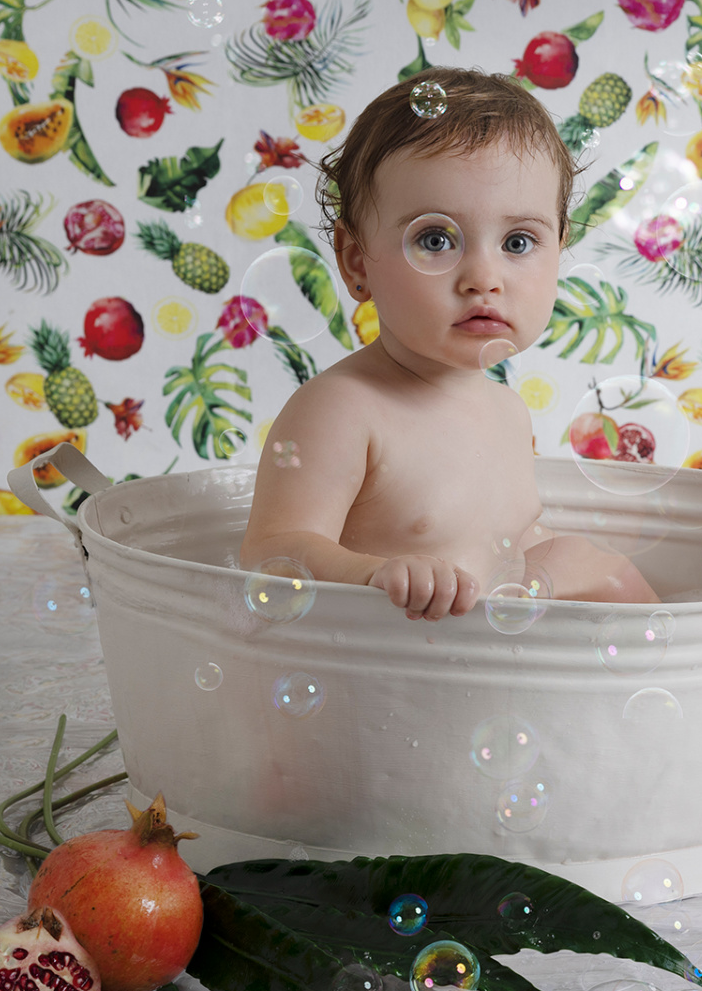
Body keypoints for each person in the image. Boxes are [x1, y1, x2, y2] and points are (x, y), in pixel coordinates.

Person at [240, 67, 658, 620]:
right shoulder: (342, 410)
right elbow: (269, 554)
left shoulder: (507, 411)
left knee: (594, 562)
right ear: (357, 260)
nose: (484, 276)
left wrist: (561, 562)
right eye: (435, 239)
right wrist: (372, 573)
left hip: (484, 667)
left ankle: (696, 668)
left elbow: (508, 542)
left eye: (518, 241)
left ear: (561, 249)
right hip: (384, 674)